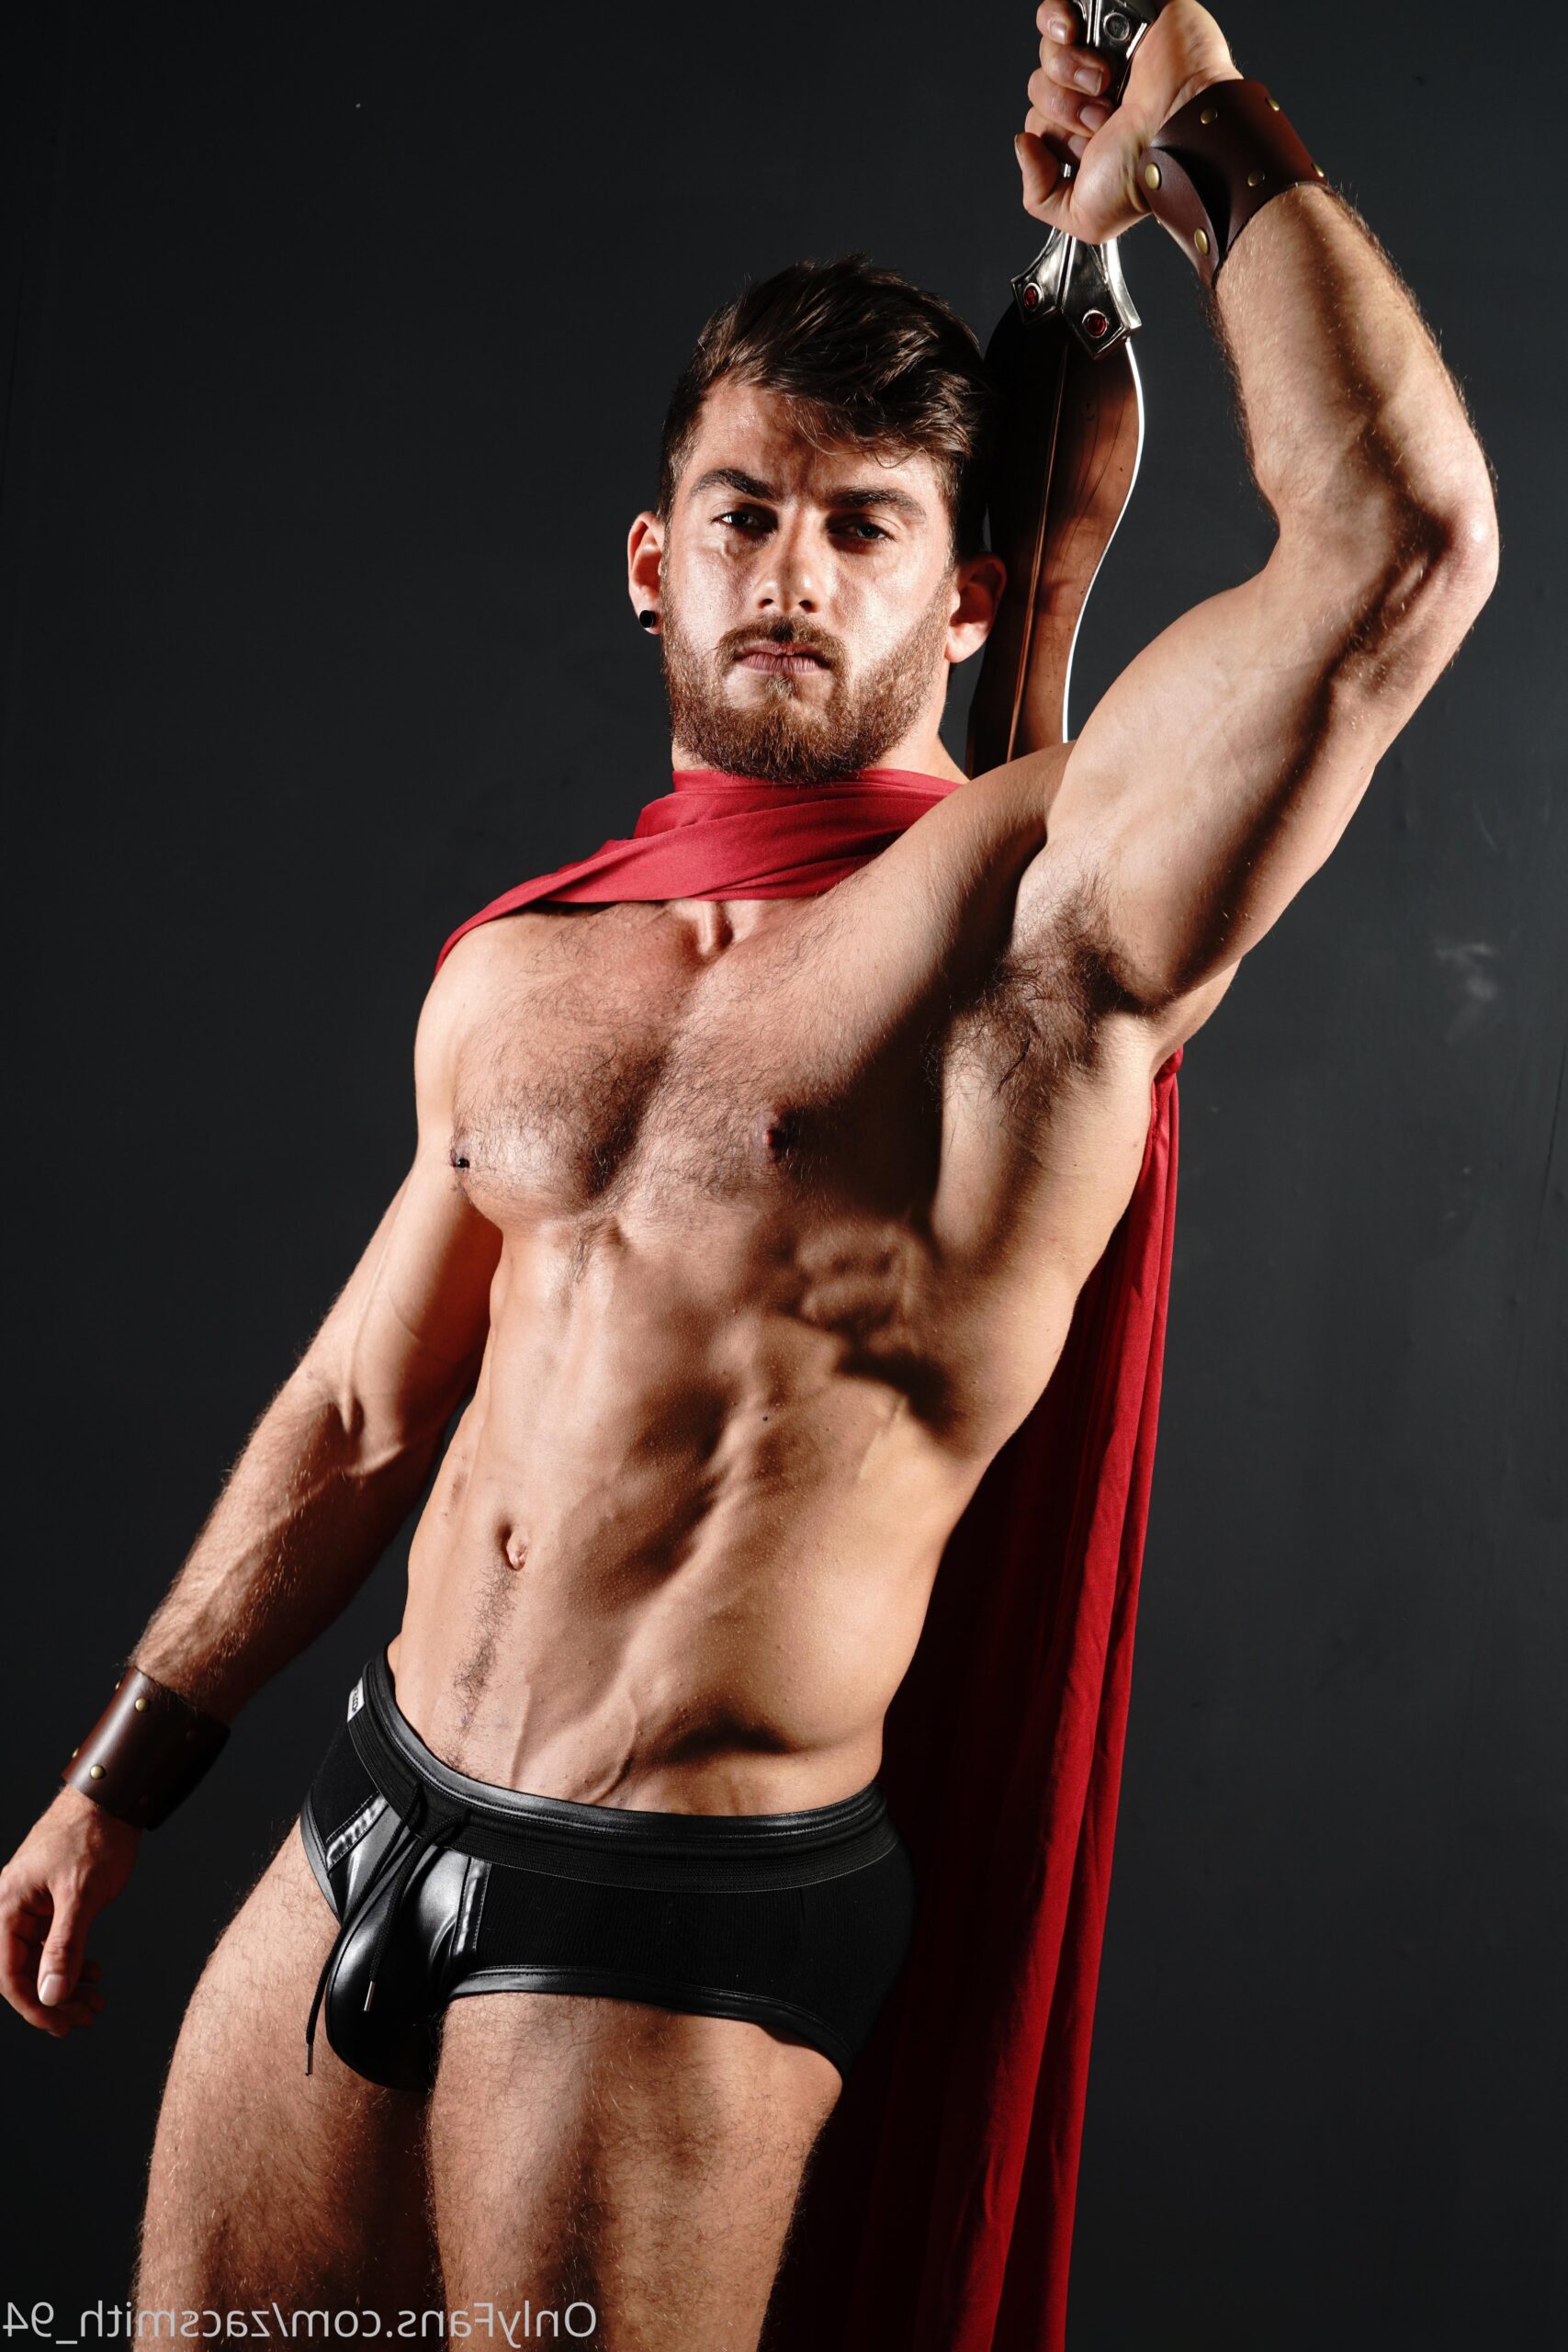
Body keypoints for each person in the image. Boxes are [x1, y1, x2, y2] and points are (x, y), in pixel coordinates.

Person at [1, 5, 1495, 2346]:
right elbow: (363, 1411)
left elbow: (1396, 555)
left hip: (666, 1911)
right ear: (650, 560)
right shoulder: (523, 964)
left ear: (965, 595)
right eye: (744, 511)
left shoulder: (1031, 929)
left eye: (865, 524)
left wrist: (1195, 127)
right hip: (371, 1811)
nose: (790, 569)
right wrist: (121, 1771)